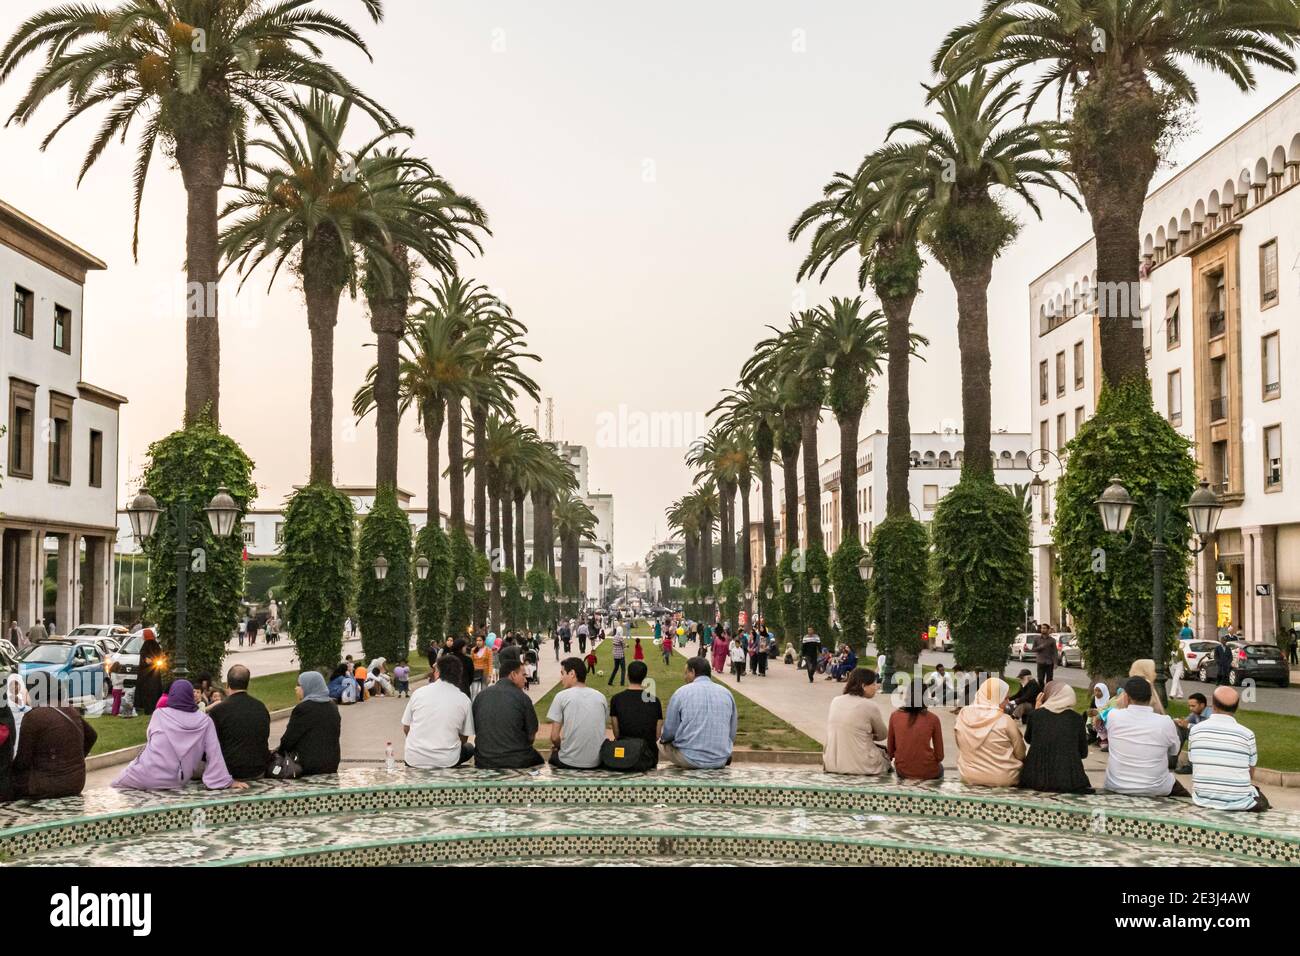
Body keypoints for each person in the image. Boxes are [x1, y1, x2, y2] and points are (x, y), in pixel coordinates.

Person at [113, 680, 240, 791]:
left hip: (145, 774)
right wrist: (225, 781)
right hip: (177, 779)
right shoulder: (205, 721)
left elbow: (150, 738)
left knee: (115, 784)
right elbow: (214, 753)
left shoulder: (159, 714)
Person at [1188, 686, 1270, 812]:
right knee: (1260, 798)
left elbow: (1193, 761)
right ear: (1236, 708)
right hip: (1239, 802)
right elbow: (1250, 771)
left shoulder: (1195, 730)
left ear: (1213, 706)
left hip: (1202, 798)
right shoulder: (1247, 734)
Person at [1101, 677, 1186, 797]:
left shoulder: (1113, 716)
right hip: (1156, 787)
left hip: (1116, 785)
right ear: (1150, 698)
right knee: (1188, 800)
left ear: (1126, 697)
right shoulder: (1165, 722)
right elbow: (1174, 751)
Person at [660, 657, 736, 769]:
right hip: (720, 759)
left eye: (686, 673)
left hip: (689, 759)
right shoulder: (727, 693)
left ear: (693, 672)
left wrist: (664, 739)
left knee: (660, 740)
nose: (684, 677)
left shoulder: (681, 693)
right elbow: (732, 733)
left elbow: (669, 732)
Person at [11, 700, 97, 799]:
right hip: (76, 783)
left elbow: (22, 761)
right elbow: (92, 735)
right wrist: (77, 759)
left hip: (45, 786)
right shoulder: (70, 710)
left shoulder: (33, 717)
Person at [402, 655, 475, 769]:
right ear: (459, 675)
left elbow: (406, 727)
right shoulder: (464, 699)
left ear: (437, 673)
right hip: (447, 760)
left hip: (413, 759)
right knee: (469, 748)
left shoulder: (419, 693)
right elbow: (464, 737)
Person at [1019, 680, 1091, 793]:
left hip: (1035, 778)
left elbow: (1029, 739)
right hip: (1070, 781)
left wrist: (1037, 709)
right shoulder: (1077, 719)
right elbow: (1083, 753)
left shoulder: (1036, 715)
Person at [473, 656, 545, 768]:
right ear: (513, 675)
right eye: (524, 675)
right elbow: (531, 735)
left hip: (484, 760)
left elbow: (476, 730)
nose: (525, 680)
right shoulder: (522, 697)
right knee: (537, 759)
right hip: (517, 760)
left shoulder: (480, 696)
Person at [955, 678, 1026, 787]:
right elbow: (1021, 754)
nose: (1008, 701)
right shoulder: (1006, 721)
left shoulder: (963, 715)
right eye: (1005, 698)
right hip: (1004, 779)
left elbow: (960, 745)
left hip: (969, 776)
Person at [208, 665, 271, 781]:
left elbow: (211, 745)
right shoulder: (260, 707)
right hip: (258, 769)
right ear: (247, 684)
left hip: (229, 770)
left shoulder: (218, 711)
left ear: (227, 684)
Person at [275, 671, 342, 776]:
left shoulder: (303, 709)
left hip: (308, 766)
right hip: (331, 763)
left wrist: (278, 753)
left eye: (299, 685)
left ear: (308, 687)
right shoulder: (332, 706)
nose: (296, 688)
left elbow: (288, 740)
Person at [546, 657, 609, 769]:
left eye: (562, 673)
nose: (561, 678)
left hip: (569, 762)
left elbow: (554, 737)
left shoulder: (561, 696)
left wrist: (560, 747)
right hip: (597, 762)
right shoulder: (601, 697)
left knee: (555, 753)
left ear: (572, 673)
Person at [823, 668, 888, 775]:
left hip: (832, 764)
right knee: (885, 757)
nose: (876, 687)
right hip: (861, 767)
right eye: (873, 684)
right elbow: (883, 735)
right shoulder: (869, 706)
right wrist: (871, 735)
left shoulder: (835, 701)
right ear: (863, 686)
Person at [609, 661, 663, 771]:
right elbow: (657, 735)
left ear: (627, 676)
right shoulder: (655, 701)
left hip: (625, 756)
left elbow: (617, 733)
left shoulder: (616, 699)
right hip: (649, 756)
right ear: (644, 677)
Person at [887, 680, 944, 781]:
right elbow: (940, 756)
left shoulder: (895, 716)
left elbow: (890, 752)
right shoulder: (933, 719)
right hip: (929, 771)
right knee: (941, 768)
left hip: (903, 770)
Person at [1172, 692, 1210, 773]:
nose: (1191, 708)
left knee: (1193, 733)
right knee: (1180, 729)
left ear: (1202, 705)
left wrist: (1188, 725)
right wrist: (1179, 722)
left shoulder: (1210, 714)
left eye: (1193, 706)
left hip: (1209, 739)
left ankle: (1191, 765)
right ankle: (1173, 760)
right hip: (1200, 735)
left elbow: (1205, 729)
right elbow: (1186, 721)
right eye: (1189, 706)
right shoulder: (1196, 713)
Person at [134, 628, 164, 715]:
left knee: (147, 691)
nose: (142, 636)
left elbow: (146, 658)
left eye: (143, 634)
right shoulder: (155, 644)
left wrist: (148, 661)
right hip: (155, 672)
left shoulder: (147, 644)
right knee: (154, 690)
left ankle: (148, 710)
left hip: (146, 673)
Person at [1032, 622, 1057, 687]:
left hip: (1049, 663)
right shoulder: (1036, 639)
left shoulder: (1052, 640)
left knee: (1049, 680)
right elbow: (1033, 649)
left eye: (1044, 628)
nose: (1042, 629)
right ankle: (1041, 692)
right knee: (1040, 679)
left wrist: (1055, 663)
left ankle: (1048, 692)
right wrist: (1040, 647)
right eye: (1042, 628)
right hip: (1040, 662)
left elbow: (1055, 652)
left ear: (1048, 630)